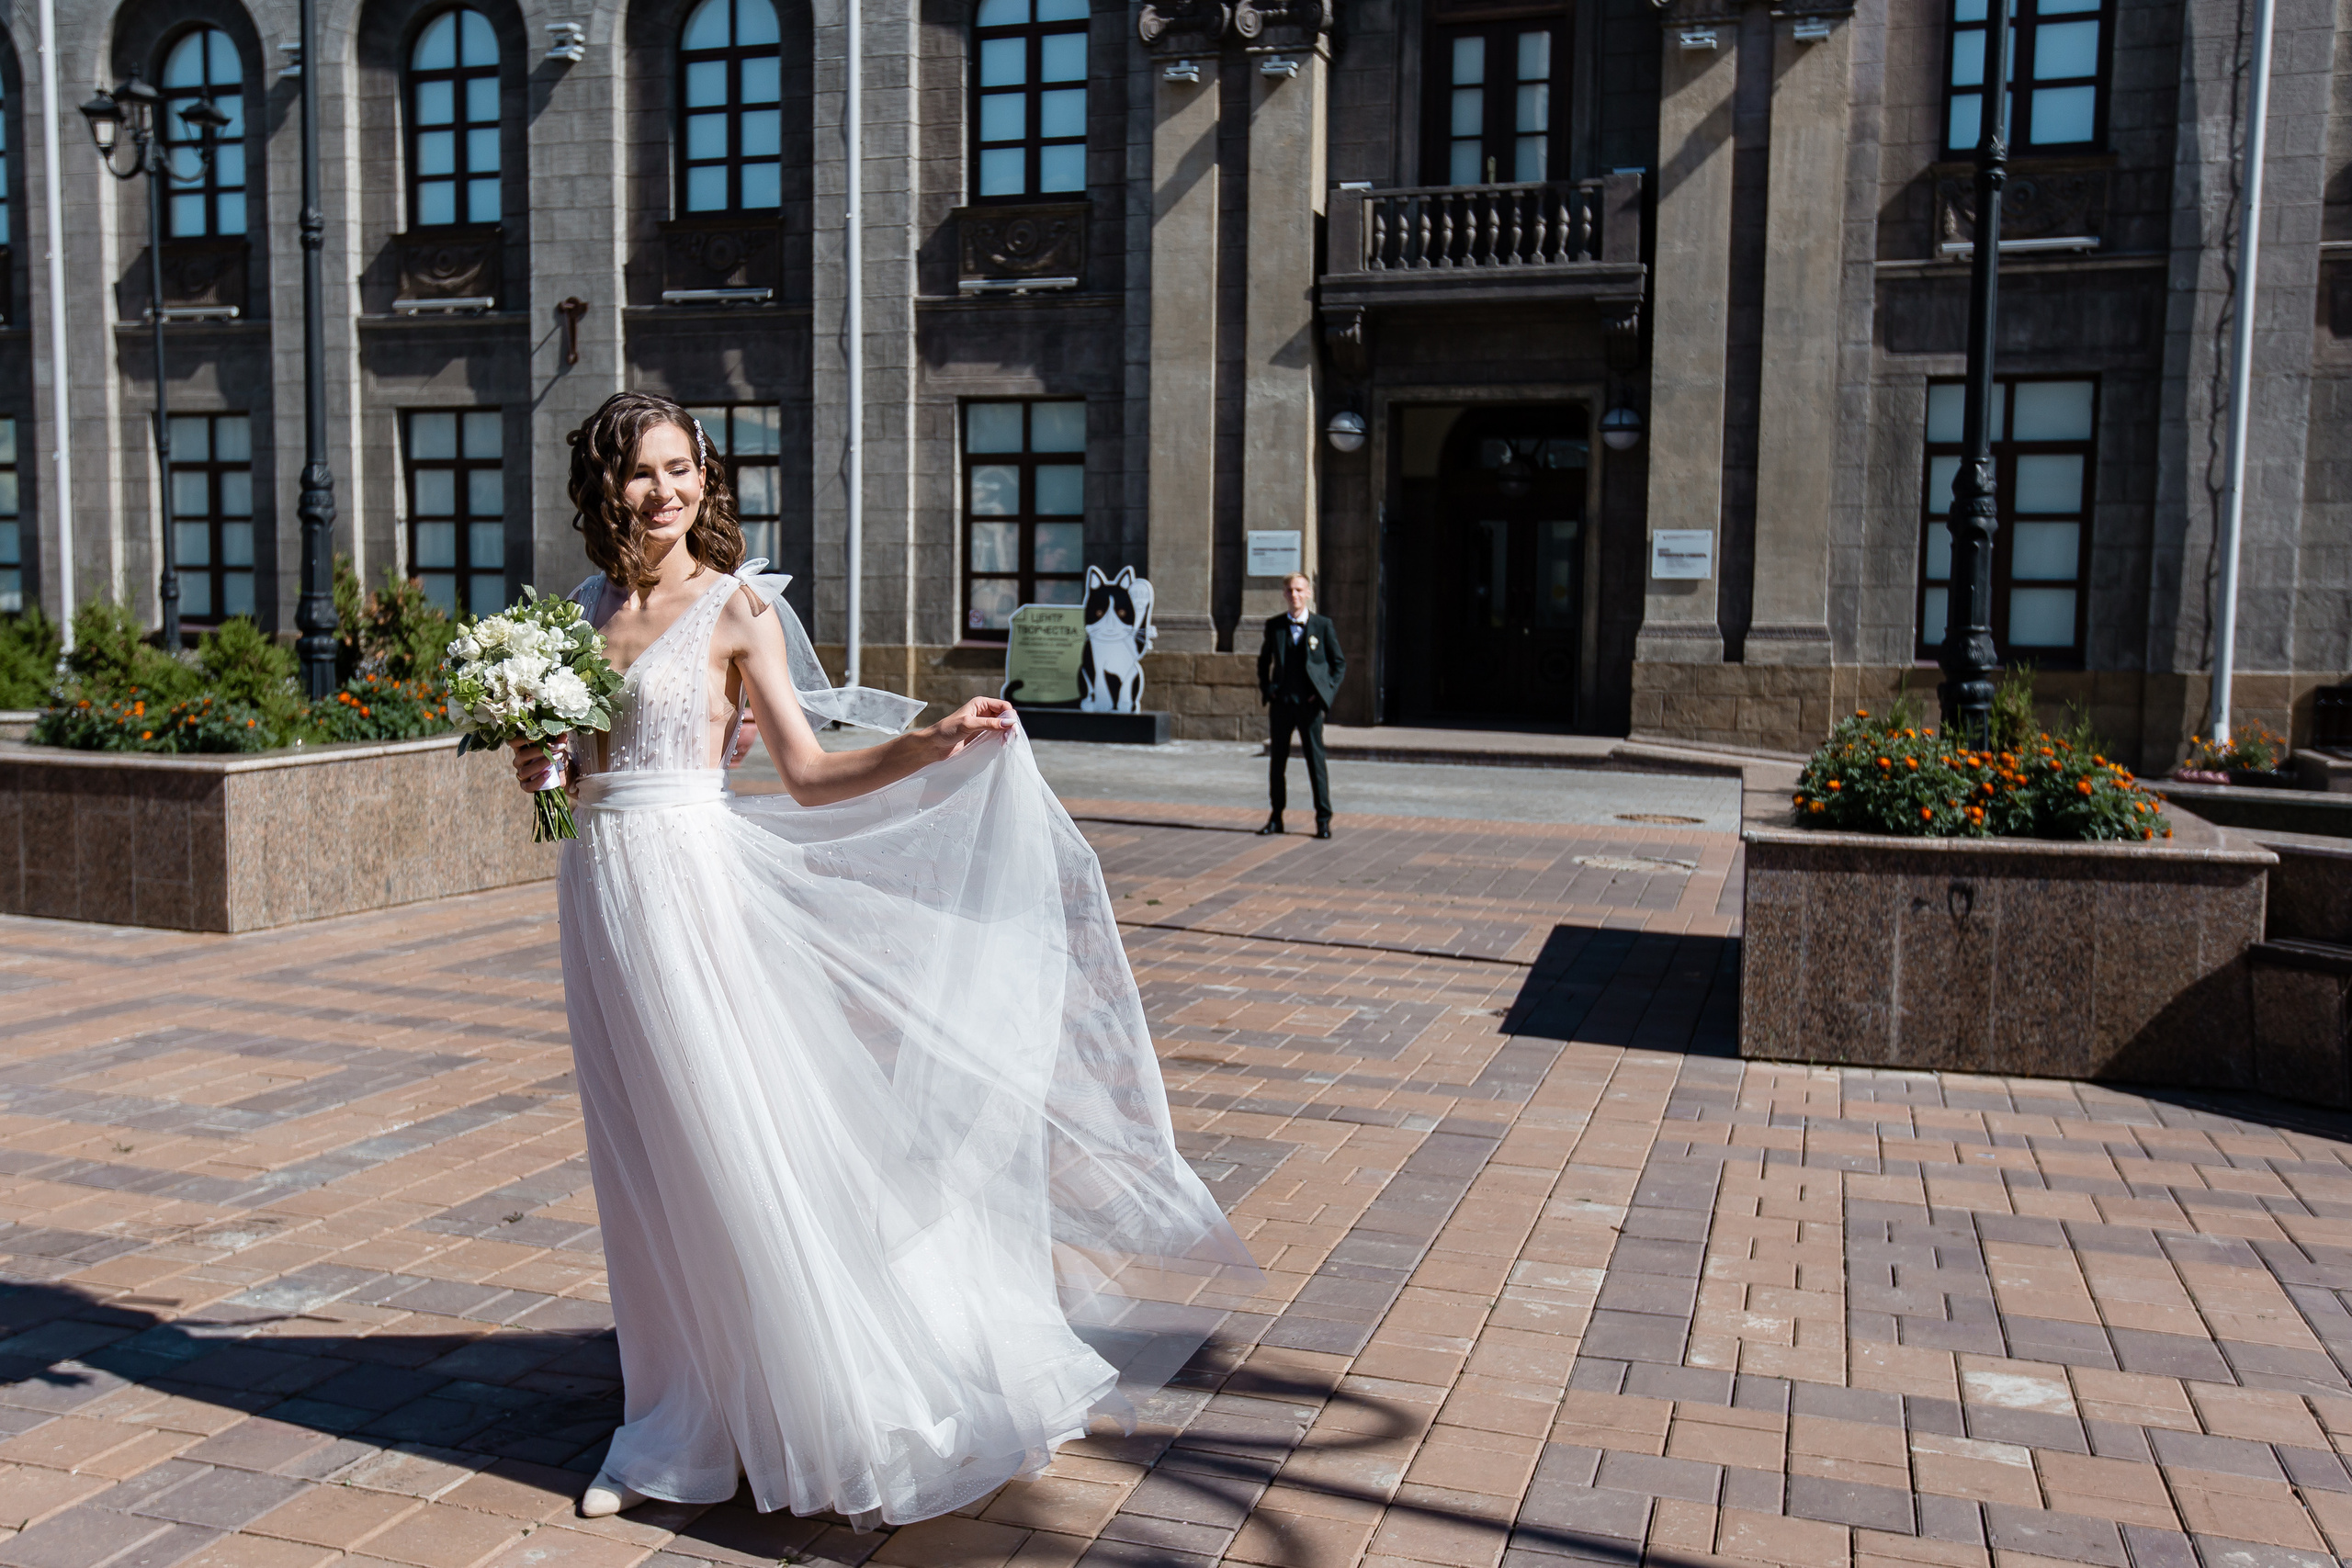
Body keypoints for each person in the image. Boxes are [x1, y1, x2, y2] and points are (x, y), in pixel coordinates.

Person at [507, 392, 1255, 1529]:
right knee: (641, 1163)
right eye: (639, 473)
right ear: (601, 488)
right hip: (599, 893)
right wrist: (541, 768)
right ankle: (671, 1411)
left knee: (725, 1147)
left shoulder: (736, 609)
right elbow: (576, 768)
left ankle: (797, 1401)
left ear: (705, 480)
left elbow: (805, 773)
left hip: (691, 892)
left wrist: (930, 742)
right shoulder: (579, 608)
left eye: (679, 469)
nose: (663, 492)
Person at [1255, 572, 1345, 839]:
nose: (1294, 595)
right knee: (1277, 763)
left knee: (1316, 762)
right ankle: (1276, 817)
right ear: (1284, 594)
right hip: (1282, 704)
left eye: (1299, 590)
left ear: (1308, 593)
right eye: (1289, 591)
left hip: (1309, 706)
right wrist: (1268, 689)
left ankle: (1323, 819)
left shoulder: (1322, 625)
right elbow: (1263, 662)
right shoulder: (1275, 626)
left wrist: (1323, 694)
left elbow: (1338, 664)